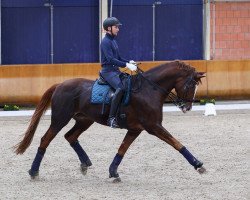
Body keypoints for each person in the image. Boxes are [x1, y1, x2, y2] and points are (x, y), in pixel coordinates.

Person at [100, 17, 137, 128]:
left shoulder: (113, 41)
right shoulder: (105, 42)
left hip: (115, 70)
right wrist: (126, 65)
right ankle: (111, 119)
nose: (118, 29)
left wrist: (128, 61)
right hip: (108, 72)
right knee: (120, 88)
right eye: (116, 27)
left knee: (129, 84)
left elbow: (119, 58)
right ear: (109, 28)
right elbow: (111, 59)